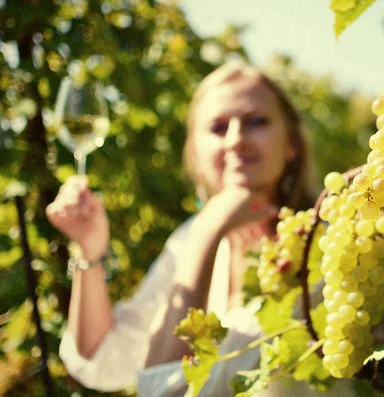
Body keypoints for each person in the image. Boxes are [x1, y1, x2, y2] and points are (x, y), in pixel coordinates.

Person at [47, 62, 350, 396]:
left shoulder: (328, 244)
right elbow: (105, 361)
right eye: (218, 127)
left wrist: (207, 234)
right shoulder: (189, 239)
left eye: (256, 121)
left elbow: (162, 391)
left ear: (291, 143)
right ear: (195, 151)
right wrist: (90, 250)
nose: (236, 140)